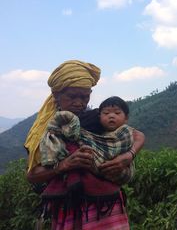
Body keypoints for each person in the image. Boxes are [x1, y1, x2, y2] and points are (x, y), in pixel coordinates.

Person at [24, 60, 145, 230]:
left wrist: (127, 156)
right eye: (72, 96)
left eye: (85, 96)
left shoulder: (95, 118)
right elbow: (32, 176)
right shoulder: (46, 129)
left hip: (106, 206)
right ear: (56, 94)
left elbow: (137, 135)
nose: (80, 102)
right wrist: (64, 165)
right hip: (69, 209)